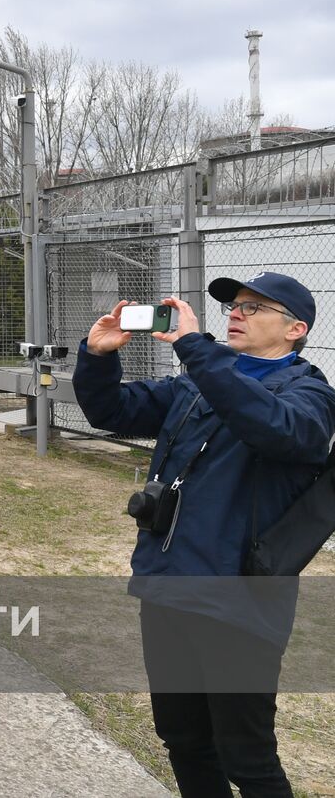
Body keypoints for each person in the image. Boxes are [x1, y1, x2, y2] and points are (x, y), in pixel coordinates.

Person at [72, 273, 335, 798]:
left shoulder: (311, 395)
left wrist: (195, 349)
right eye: (234, 305)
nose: (236, 313)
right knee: (183, 738)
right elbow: (113, 411)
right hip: (168, 584)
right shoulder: (198, 381)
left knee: (247, 755)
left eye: (255, 307)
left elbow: (271, 426)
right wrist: (98, 358)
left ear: (294, 329)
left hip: (240, 599)